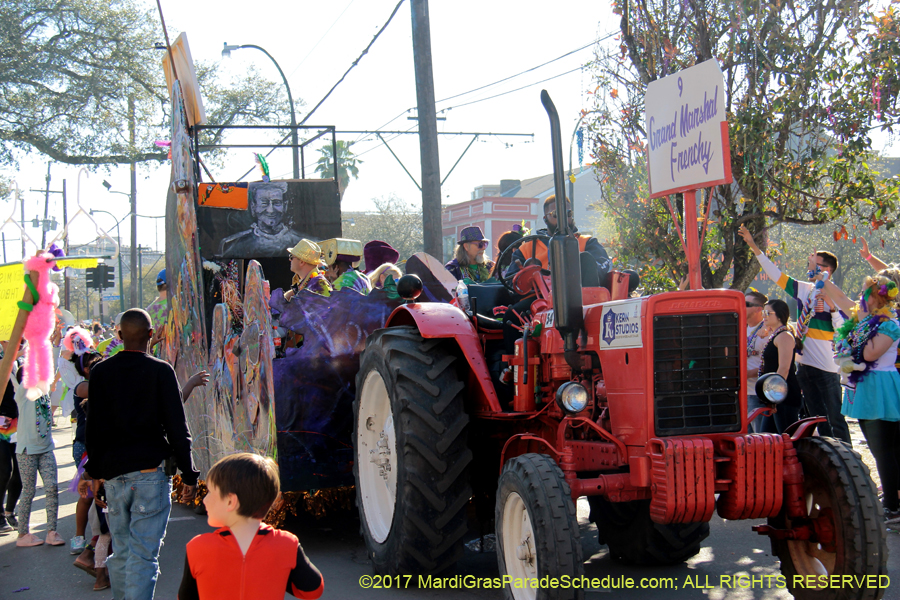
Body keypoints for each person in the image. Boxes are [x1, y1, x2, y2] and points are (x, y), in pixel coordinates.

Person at [85, 308, 199, 600]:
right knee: (143, 556)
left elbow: (93, 429)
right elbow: (177, 426)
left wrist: (93, 473)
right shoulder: (160, 370)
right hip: (150, 475)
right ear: (151, 336)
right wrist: (189, 474)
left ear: (120, 335)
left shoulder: (100, 372)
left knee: (122, 551)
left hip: (113, 478)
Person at [739, 224, 850, 444]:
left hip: (827, 367)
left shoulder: (836, 295)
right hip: (805, 367)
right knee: (815, 419)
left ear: (826, 269)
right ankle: (827, 457)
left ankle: (848, 461)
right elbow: (775, 274)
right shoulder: (805, 290)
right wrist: (754, 246)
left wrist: (833, 307)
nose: (808, 267)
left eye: (813, 264)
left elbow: (845, 330)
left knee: (834, 419)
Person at [177, 453, 324, 600]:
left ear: (230, 501)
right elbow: (313, 591)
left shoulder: (198, 547)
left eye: (210, 492)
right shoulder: (287, 544)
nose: (205, 500)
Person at [816, 273, 900, 523]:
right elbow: (841, 298)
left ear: (876, 296)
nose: (860, 296)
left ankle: (893, 506)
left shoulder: (888, 324)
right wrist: (823, 278)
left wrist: (847, 344)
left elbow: (872, 353)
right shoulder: (865, 318)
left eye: (865, 291)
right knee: (882, 448)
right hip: (866, 387)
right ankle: (893, 501)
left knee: (886, 449)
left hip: (881, 386)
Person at [508, 195, 639, 292]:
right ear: (545, 219)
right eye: (555, 214)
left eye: (568, 213)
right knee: (510, 316)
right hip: (538, 301)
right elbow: (511, 283)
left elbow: (602, 267)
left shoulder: (588, 243)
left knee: (585, 258)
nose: (563, 219)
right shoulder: (527, 249)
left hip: (579, 299)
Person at [14, 341, 63, 547]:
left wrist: (52, 343)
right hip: (27, 450)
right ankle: (23, 535)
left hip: (46, 448)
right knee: (29, 490)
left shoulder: (43, 391)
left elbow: (51, 364)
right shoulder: (23, 394)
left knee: (51, 487)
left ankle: (52, 531)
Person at [219, 182, 306, 258]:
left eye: (276, 203)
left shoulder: (303, 244)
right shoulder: (234, 245)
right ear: (253, 207)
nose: (270, 210)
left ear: (285, 206)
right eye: (264, 203)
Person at [757, 300, 804, 433]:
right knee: (767, 438)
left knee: (786, 439)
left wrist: (774, 398)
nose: (764, 316)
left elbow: (784, 368)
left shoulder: (784, 336)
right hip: (774, 395)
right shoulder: (775, 335)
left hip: (783, 396)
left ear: (779, 315)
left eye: (768, 313)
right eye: (763, 312)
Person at [0, 340, 22, 534]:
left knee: (20, 470)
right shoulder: (4, 360)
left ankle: (10, 511)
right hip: (1, 424)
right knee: (4, 469)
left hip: (19, 423)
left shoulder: (20, 360)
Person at [744, 289, 770, 432]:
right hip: (741, 393)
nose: (741, 306)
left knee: (760, 438)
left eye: (746, 303)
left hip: (757, 393)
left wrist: (746, 374)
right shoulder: (740, 327)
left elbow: (769, 365)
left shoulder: (766, 332)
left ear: (759, 309)